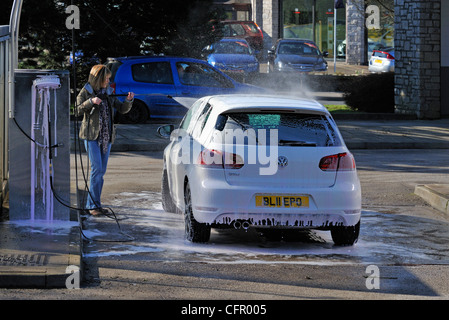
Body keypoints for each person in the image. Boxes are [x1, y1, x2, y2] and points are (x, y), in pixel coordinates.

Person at [76, 64, 134, 216]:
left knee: (101, 172)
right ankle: (93, 206)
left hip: (106, 137)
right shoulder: (87, 90)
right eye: (107, 79)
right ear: (99, 78)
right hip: (91, 136)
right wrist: (91, 102)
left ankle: (95, 204)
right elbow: (76, 108)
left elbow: (122, 109)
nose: (109, 81)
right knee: (97, 170)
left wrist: (128, 101)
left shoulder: (108, 92)